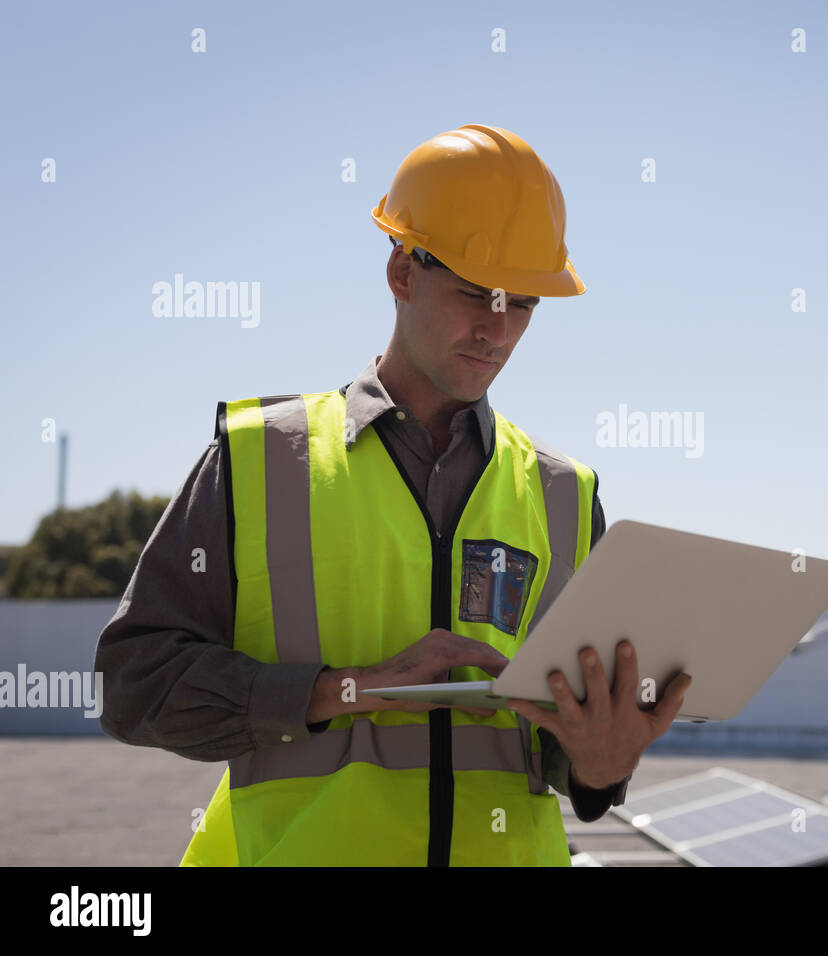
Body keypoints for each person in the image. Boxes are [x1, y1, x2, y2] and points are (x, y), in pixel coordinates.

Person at [94, 124, 691, 866]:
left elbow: (565, 759)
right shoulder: (261, 461)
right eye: (478, 292)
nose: (498, 329)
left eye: (525, 303)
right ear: (403, 271)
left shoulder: (564, 496)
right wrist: (340, 692)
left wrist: (604, 766)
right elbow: (133, 685)